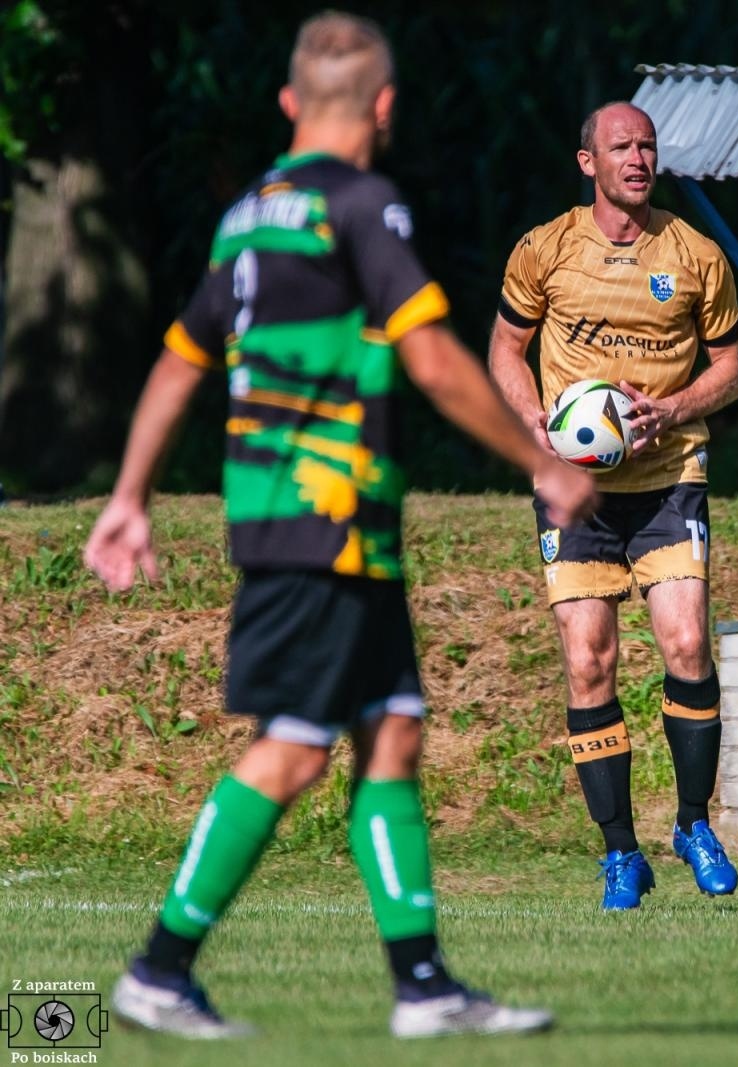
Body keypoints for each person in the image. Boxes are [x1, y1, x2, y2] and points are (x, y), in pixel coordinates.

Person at [84, 12, 595, 1039]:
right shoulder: (365, 206)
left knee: (393, 727)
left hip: (315, 521)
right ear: (385, 105)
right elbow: (434, 357)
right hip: (322, 521)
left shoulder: (243, 218)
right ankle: (159, 966)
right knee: (296, 746)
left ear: (288, 106)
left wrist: (130, 492)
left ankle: (423, 985)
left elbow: (183, 358)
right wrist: (540, 461)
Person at [488, 102, 738, 910]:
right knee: (589, 657)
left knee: (685, 640)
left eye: (648, 145)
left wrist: (671, 410)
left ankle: (693, 824)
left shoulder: (695, 254)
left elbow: (734, 367)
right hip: (577, 488)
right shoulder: (546, 248)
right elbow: (505, 347)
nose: (638, 158)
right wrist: (534, 420)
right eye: (621, 146)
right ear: (587, 162)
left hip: (671, 474)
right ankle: (620, 852)